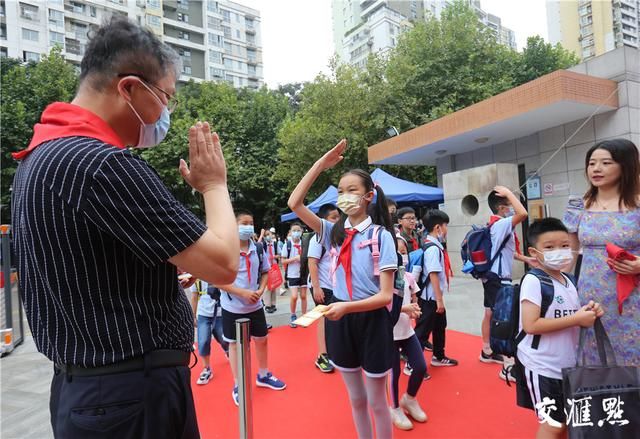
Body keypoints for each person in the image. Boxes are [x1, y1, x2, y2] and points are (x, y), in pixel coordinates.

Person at [10, 17, 239, 439]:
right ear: (129, 88)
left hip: (86, 391)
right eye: (165, 98)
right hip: (131, 396)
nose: (165, 114)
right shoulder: (101, 164)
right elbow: (224, 264)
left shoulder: (36, 159)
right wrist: (214, 185)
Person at [288, 139, 397, 439]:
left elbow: (385, 296)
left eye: (352, 190)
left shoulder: (381, 236)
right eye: (340, 191)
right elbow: (294, 204)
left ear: (369, 196)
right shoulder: (331, 231)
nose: (344, 196)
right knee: (356, 399)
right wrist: (320, 165)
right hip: (341, 320)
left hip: (371, 320)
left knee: (377, 402)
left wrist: (346, 306)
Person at [519, 218, 604, 437]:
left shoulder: (569, 280)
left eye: (565, 246)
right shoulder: (533, 281)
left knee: (566, 422)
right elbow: (531, 325)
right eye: (549, 247)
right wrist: (576, 319)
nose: (559, 251)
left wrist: (590, 311)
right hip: (543, 365)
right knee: (552, 425)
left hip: (568, 366)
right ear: (534, 252)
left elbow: (572, 312)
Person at [563, 139, 640, 366]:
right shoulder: (579, 204)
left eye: (606, 163)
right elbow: (571, 250)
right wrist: (555, 280)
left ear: (626, 165)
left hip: (633, 294)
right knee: (594, 353)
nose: (596, 169)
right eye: (592, 163)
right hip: (590, 292)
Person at [217, 209, 286, 406]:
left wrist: (261, 289)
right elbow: (217, 280)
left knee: (262, 339)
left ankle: (263, 375)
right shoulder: (225, 249)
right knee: (236, 345)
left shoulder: (258, 247)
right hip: (232, 306)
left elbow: (265, 271)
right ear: (234, 226)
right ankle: (238, 384)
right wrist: (242, 293)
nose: (248, 227)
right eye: (244, 223)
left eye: (251, 223)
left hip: (255, 304)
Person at [480, 187, 534, 371]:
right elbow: (524, 213)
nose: (512, 208)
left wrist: (526, 259)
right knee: (504, 317)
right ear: (502, 208)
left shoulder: (493, 225)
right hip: (499, 278)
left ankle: (487, 350)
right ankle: (508, 364)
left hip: (490, 277)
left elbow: (505, 251)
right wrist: (509, 193)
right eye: (510, 205)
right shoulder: (502, 224)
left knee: (489, 313)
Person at [389, 235, 428, 431]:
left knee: (420, 366)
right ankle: (394, 407)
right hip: (389, 333)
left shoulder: (409, 277)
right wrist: (405, 309)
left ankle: (409, 399)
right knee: (393, 373)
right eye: (397, 252)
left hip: (407, 330)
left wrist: (415, 309)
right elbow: (383, 306)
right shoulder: (384, 279)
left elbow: (413, 297)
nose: (401, 256)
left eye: (404, 252)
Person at [413, 210, 458, 367]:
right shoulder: (432, 248)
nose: (446, 230)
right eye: (446, 226)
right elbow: (433, 275)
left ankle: (438, 356)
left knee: (440, 326)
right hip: (430, 298)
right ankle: (412, 364)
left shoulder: (434, 245)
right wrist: (439, 300)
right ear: (438, 227)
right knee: (422, 332)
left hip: (434, 297)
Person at [308, 203, 341, 373]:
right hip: (322, 286)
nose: (338, 220)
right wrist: (316, 288)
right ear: (323, 220)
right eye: (333, 218)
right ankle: (322, 355)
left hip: (335, 286)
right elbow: (312, 262)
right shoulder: (317, 238)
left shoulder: (337, 237)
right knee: (323, 319)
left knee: (335, 320)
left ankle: (334, 351)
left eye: (338, 217)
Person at [189, 280, 229, 385]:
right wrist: (192, 316)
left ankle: (227, 350)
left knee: (224, 339)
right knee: (203, 341)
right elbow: (194, 296)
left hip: (221, 312)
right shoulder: (196, 277)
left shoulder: (218, 272)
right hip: (203, 313)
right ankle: (206, 369)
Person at [281, 222, 308, 327]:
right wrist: (295, 259)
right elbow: (283, 261)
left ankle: (304, 315)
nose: (296, 232)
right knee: (294, 296)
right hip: (292, 274)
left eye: (298, 230)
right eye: (294, 230)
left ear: (302, 232)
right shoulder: (287, 245)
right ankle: (293, 315)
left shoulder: (305, 244)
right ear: (290, 232)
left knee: (304, 296)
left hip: (304, 273)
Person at [262, 228, 280, 314]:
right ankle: (267, 305)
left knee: (274, 286)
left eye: (269, 234)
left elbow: (279, 254)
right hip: (266, 268)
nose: (268, 236)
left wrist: (275, 256)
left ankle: (273, 304)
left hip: (274, 267)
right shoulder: (263, 245)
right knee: (267, 287)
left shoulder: (275, 244)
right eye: (266, 235)